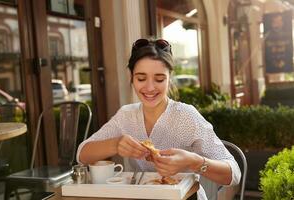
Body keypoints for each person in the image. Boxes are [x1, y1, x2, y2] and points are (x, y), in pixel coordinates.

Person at [76, 38, 241, 199]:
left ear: (169, 79)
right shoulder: (126, 116)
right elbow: (82, 155)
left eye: (159, 79)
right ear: (132, 78)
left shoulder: (186, 116)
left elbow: (233, 173)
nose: (149, 87)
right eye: (141, 78)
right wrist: (115, 144)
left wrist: (193, 161)